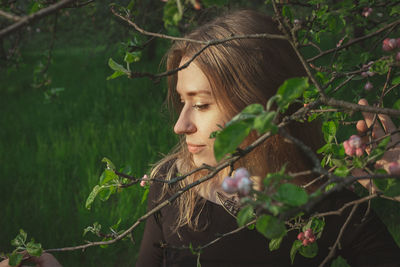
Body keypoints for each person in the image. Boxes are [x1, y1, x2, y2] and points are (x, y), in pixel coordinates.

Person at [1, 9, 399, 267]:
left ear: (261, 107)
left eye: (202, 104)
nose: (180, 125)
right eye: (181, 101)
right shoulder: (173, 187)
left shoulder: (327, 198)